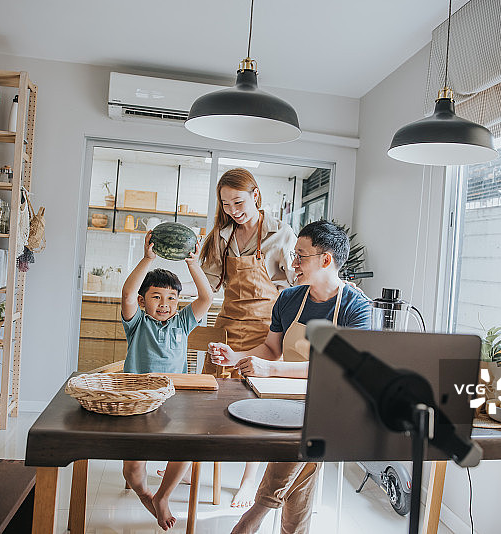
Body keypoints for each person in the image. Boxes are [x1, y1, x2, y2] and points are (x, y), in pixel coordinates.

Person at [209, 220, 371, 534]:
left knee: (309, 434)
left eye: (301, 255)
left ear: (326, 260)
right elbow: (271, 348)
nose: (292, 262)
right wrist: (238, 357)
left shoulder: (355, 307)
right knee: (304, 463)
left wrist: (273, 369)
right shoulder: (289, 299)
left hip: (335, 404)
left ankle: (254, 515)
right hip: (290, 400)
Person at [197, 167, 297, 507]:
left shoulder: (281, 235)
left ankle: (248, 479)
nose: (233, 211)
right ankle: (190, 462)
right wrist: (192, 264)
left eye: (238, 202)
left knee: (255, 405)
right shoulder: (221, 236)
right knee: (209, 395)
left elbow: (298, 285)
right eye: (226, 204)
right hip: (227, 323)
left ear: (255, 195)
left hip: (265, 329)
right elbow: (209, 287)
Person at [120, 231, 212, 531]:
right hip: (138, 401)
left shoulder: (182, 322)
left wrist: (193, 264)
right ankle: (147, 493)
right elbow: (126, 294)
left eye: (172, 298)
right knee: (132, 471)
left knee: (187, 450)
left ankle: (163, 496)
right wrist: (148, 259)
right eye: (156, 296)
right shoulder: (137, 323)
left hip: (175, 401)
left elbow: (206, 297)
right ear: (142, 301)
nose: (165, 303)